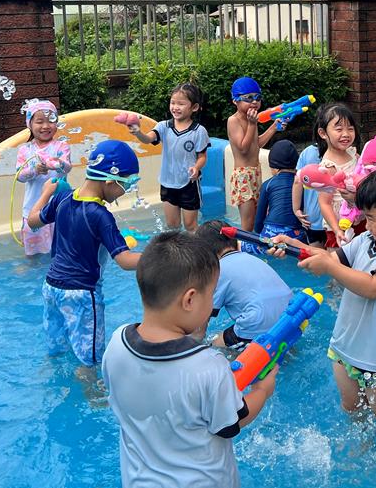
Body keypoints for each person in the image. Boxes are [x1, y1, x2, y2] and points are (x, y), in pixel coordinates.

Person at [102, 231, 277, 488]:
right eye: (212, 294)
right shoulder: (208, 365)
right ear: (190, 299)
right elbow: (231, 423)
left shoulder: (116, 344)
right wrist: (262, 390)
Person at [271, 163, 376, 431]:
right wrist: (295, 247)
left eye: (372, 218)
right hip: (344, 348)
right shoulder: (368, 239)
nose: (367, 224)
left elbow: (372, 287)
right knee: (352, 407)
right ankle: (362, 443)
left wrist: (329, 266)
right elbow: (331, 259)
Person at [27, 140, 142, 366]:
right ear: (110, 180)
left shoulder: (62, 198)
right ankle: (91, 388)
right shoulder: (101, 215)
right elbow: (126, 261)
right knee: (89, 363)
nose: (125, 191)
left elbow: (32, 221)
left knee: (57, 353)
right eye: (127, 184)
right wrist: (163, 254)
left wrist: (45, 193)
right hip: (81, 295)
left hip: (51, 288)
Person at [125, 82, 209, 232]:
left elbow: (202, 156)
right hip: (167, 182)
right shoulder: (163, 126)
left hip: (188, 183)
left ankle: (195, 247)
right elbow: (148, 139)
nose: (175, 107)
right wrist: (138, 132)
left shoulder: (199, 131)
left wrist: (196, 167)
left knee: (191, 226)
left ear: (194, 107)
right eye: (172, 102)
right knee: (172, 226)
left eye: (181, 104)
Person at [196, 219, 293, 348]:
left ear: (205, 255)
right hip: (290, 315)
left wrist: (193, 343)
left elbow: (202, 320)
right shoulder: (252, 258)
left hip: (258, 321)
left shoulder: (217, 272)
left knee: (214, 345)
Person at [15, 99, 71, 256]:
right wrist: (35, 170)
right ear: (30, 124)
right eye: (40, 122)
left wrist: (58, 163)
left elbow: (67, 167)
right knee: (34, 253)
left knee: (62, 251)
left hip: (59, 208)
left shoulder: (61, 146)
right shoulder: (25, 150)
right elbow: (19, 176)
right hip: (33, 209)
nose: (46, 126)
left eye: (51, 121)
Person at [226, 77, 279, 232]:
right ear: (235, 101)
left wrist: (274, 127)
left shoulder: (252, 118)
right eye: (248, 98)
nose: (254, 102)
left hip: (255, 173)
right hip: (243, 176)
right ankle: (244, 246)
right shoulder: (233, 121)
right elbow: (243, 148)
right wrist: (251, 124)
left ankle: (252, 245)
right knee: (247, 224)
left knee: (257, 221)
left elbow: (256, 144)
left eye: (258, 97)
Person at [309, 102, 361, 246]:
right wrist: (336, 229)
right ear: (323, 133)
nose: (346, 134)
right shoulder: (328, 167)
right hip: (339, 224)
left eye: (350, 129)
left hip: (359, 216)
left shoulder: (352, 153)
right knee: (338, 258)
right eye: (339, 129)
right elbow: (324, 203)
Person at [251, 139, 308, 252]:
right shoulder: (302, 183)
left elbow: (258, 221)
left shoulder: (268, 184)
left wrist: (259, 233)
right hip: (296, 235)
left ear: (275, 168)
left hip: (271, 234)